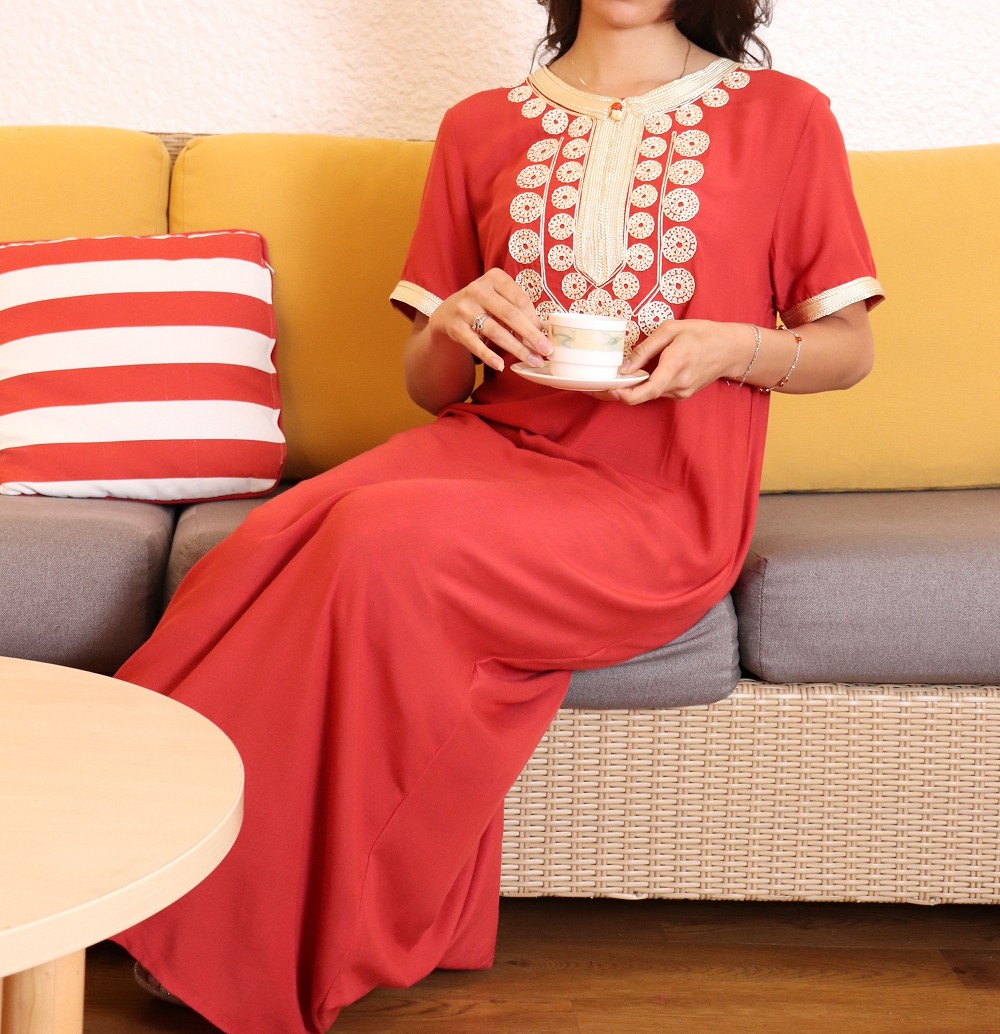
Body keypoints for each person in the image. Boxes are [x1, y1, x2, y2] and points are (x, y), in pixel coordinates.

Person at [117, 1, 883, 1030]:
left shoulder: (786, 116)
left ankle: (244, 931)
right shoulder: (479, 124)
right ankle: (137, 866)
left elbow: (847, 349)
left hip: (659, 500)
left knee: (378, 543)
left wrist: (735, 348)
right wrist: (450, 322)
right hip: (483, 446)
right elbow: (431, 386)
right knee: (259, 543)